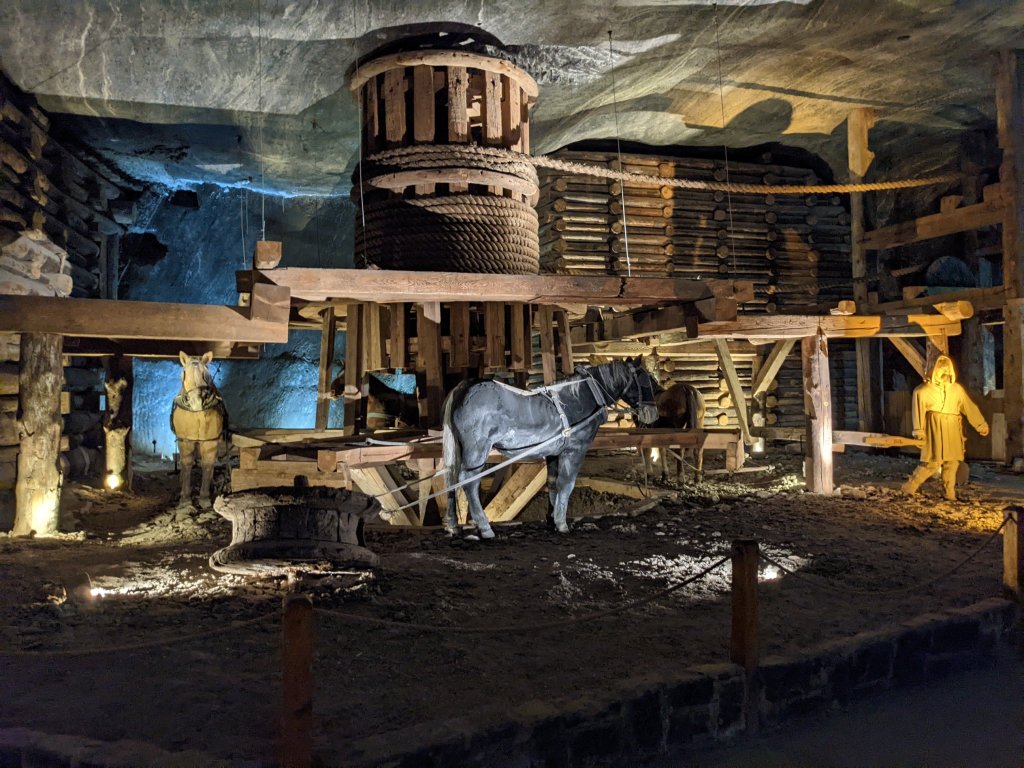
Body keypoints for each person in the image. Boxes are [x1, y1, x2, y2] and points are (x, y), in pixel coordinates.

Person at [901, 354, 989, 501]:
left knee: (952, 462)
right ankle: (909, 487)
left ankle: (949, 492)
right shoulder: (923, 391)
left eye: (947, 370)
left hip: (953, 429)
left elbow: (968, 407)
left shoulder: (957, 390)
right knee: (931, 463)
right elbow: (918, 412)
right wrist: (919, 431)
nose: (945, 373)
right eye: (942, 369)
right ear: (934, 370)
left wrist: (980, 424)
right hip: (934, 429)